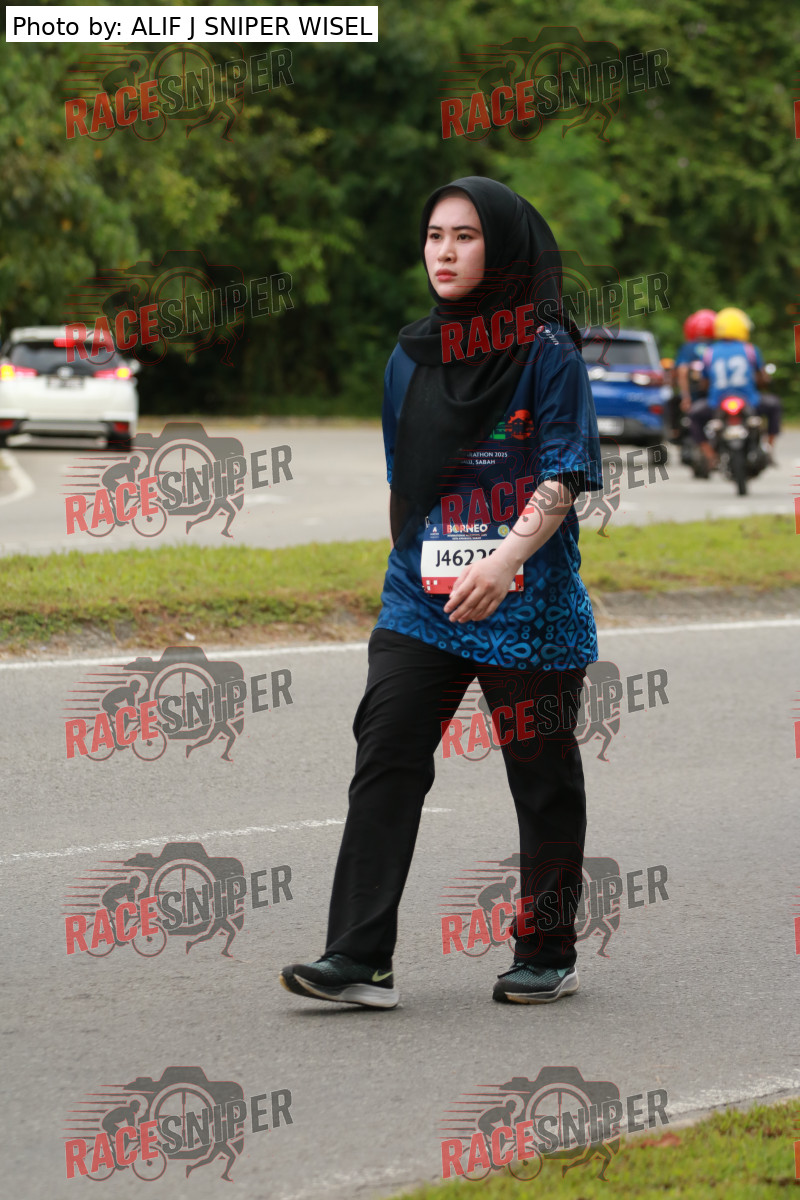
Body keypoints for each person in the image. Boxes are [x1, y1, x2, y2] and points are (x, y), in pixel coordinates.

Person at [280, 176, 603, 1009]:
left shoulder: (549, 352)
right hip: (423, 600)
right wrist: (411, 569)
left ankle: (547, 952)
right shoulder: (410, 355)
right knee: (386, 751)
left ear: (503, 248)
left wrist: (502, 559)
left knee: (542, 777)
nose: (446, 252)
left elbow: (567, 473)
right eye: (434, 236)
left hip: (526, 599)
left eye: (465, 236)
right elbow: (405, 478)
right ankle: (359, 958)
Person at [690, 307, 781, 468]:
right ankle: (769, 448)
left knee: (694, 414)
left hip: (717, 402)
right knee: (775, 405)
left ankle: (710, 455)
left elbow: (704, 381)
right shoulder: (749, 349)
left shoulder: (710, 352)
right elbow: (761, 377)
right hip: (749, 400)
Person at [673, 309, 715, 445]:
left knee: (671, 403)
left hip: (695, 396)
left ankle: (675, 432)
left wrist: (685, 397)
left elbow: (682, 371)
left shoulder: (688, 347)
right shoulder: (718, 347)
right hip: (715, 397)